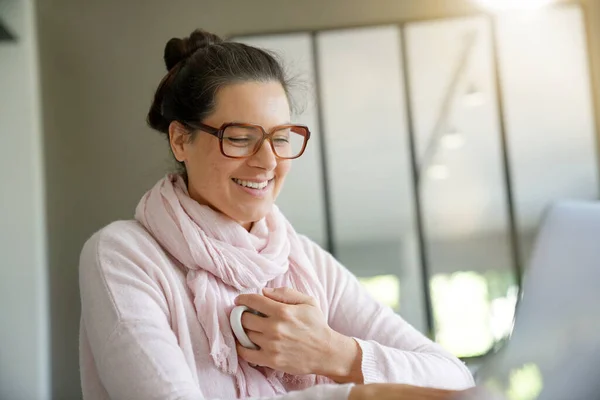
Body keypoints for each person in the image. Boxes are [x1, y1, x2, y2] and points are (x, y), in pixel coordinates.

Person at [78, 29, 475, 400]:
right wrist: (354, 393)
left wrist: (334, 354)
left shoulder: (305, 262)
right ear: (181, 139)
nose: (268, 161)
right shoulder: (123, 255)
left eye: (280, 138)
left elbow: (454, 379)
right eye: (240, 138)